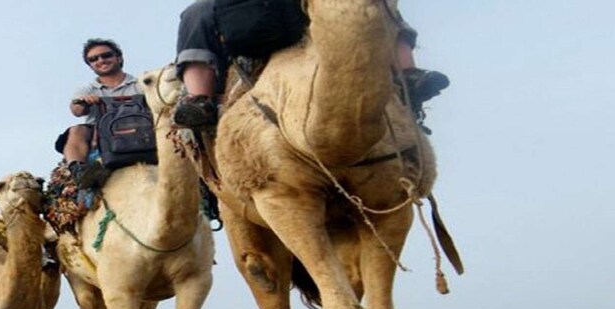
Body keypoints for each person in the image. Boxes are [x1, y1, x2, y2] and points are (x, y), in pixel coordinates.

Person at [172, 0, 450, 129]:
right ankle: (200, 100)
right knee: (196, 14)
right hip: (247, 11)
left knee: (373, 5)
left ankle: (407, 76)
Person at [55, 38, 143, 176]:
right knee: (77, 130)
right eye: (94, 59)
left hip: (140, 130)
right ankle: (80, 171)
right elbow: (77, 111)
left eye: (106, 55)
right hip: (101, 135)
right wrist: (84, 102)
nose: (101, 60)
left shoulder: (141, 85)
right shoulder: (87, 90)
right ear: (90, 65)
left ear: (119, 58)